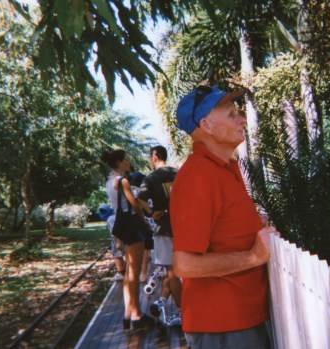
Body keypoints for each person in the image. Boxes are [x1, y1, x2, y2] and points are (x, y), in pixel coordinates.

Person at [170, 83, 279, 348]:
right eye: (231, 114)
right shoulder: (200, 175)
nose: (241, 118)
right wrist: (253, 256)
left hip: (240, 320)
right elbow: (185, 264)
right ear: (206, 126)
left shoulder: (223, 169)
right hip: (223, 326)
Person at [99, 149, 156, 330]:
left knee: (128, 272)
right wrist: (145, 221)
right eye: (126, 159)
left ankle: (128, 314)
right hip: (132, 224)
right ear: (119, 162)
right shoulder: (122, 181)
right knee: (135, 271)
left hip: (121, 225)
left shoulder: (110, 181)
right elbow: (135, 204)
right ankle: (137, 315)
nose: (129, 161)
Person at [136, 145, 182, 326]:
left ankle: (183, 313)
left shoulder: (151, 177)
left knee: (172, 273)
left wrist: (151, 212)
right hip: (184, 227)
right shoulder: (178, 173)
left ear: (154, 158)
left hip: (164, 228)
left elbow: (140, 199)